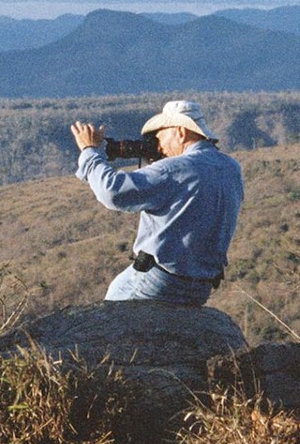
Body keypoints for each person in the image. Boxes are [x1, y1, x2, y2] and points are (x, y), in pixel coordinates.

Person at [70, 100, 243, 306]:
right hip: (200, 288)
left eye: (159, 136)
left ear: (180, 132)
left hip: (160, 282)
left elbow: (112, 192)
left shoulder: (176, 169)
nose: (157, 145)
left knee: (105, 323)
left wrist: (90, 152)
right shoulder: (231, 167)